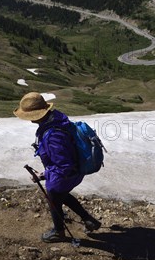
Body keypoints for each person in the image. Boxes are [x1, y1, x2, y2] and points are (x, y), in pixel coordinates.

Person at [14, 92, 101, 242]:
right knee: (62, 195)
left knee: (54, 198)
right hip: (75, 171)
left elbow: (64, 166)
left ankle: (58, 232)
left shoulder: (53, 134)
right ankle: (89, 220)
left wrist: (44, 175)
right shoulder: (57, 120)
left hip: (64, 176)